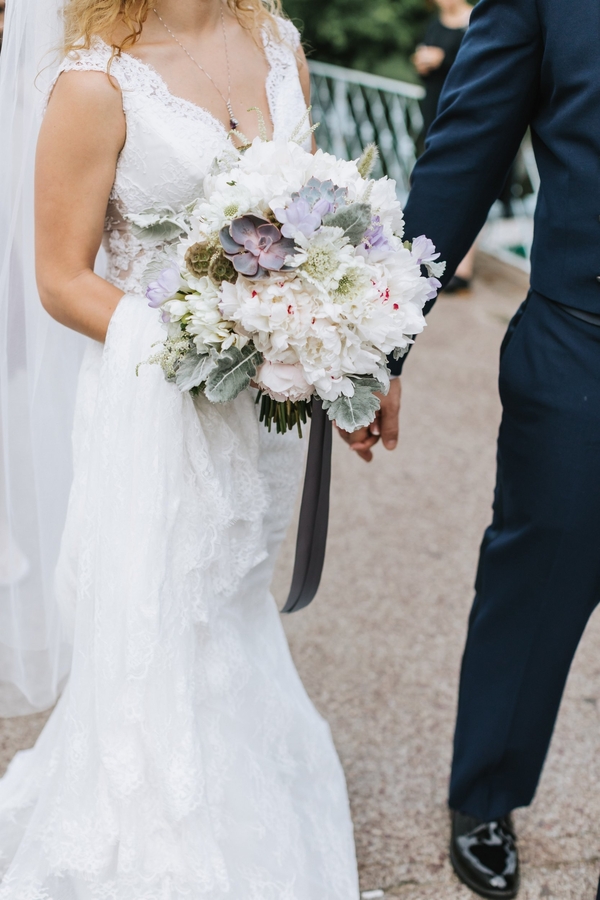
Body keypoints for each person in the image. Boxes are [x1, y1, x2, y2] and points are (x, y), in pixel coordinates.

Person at [0, 0, 360, 894]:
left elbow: (316, 227)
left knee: (231, 605)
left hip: (261, 414)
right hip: (153, 408)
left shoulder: (280, 47)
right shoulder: (93, 82)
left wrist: (351, 345)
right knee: (161, 619)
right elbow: (58, 277)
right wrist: (201, 339)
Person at [346, 0, 600, 895]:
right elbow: (463, 157)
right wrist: (378, 350)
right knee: (535, 584)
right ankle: (484, 793)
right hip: (583, 345)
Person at [413, 0, 474, 294]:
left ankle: (464, 266)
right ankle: (432, 256)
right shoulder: (436, 21)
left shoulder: (475, 18)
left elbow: (475, 66)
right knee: (432, 183)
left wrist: (443, 59)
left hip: (461, 110)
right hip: (432, 110)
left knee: (467, 186)